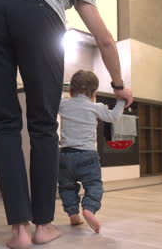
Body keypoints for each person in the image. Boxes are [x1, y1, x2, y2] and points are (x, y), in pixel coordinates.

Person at [0, 0, 133, 248]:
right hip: (37, 10)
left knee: (3, 123)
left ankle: (18, 230)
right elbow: (104, 38)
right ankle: (43, 226)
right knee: (43, 126)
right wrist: (117, 85)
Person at [58, 70, 125, 233]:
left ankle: (73, 214)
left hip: (64, 156)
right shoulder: (95, 106)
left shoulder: (63, 103)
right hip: (87, 156)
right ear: (94, 92)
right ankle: (89, 208)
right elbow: (114, 116)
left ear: (71, 90)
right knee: (93, 185)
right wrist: (122, 100)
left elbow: (50, 100)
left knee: (66, 187)